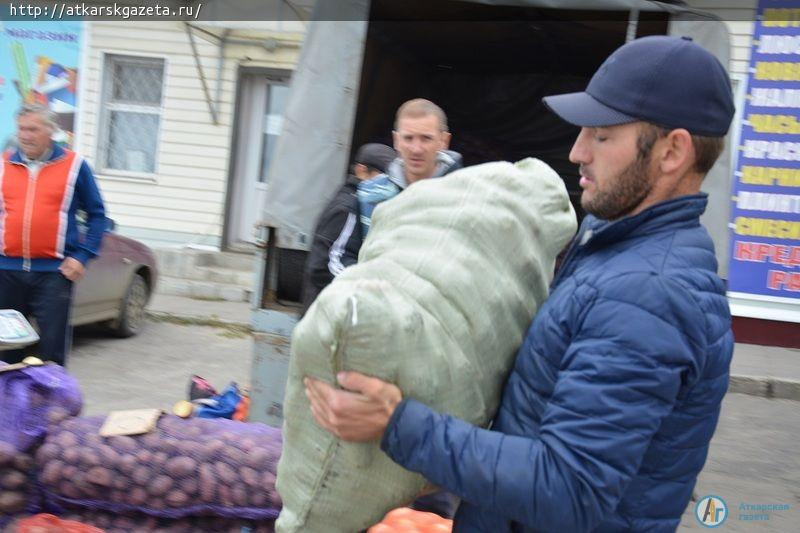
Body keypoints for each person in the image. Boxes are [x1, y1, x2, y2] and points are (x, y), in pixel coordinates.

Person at [305, 35, 735, 532]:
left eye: (601, 135)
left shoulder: (648, 293)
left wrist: (399, 426)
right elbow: (542, 412)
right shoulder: (616, 249)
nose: (576, 152)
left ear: (672, 152)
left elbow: (569, 488)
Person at [302, 99, 463, 312]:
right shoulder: (368, 195)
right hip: (380, 322)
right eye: (408, 138)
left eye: (426, 138)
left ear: (444, 141)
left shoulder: (464, 194)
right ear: (396, 140)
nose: (416, 148)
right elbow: (337, 258)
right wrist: (374, 292)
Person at [0, 104, 106, 367]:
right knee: (6, 353)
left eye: (33, 129)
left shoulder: (74, 166)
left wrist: (83, 256)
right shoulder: (4, 165)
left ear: (50, 131)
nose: (25, 135)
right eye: (22, 129)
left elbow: (97, 215)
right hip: (6, 274)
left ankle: (51, 408)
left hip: (54, 275)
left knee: (50, 355)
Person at [301, 142, 397, 313]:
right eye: (381, 176)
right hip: (327, 314)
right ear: (361, 171)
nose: (385, 184)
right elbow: (323, 265)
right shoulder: (348, 206)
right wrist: (368, 289)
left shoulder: (361, 203)